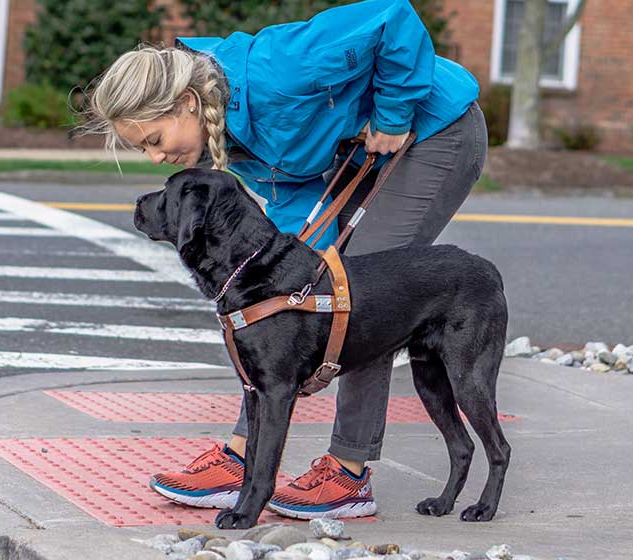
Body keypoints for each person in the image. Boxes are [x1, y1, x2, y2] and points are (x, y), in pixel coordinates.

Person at [82, 0, 487, 520]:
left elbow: (392, 17)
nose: (157, 158)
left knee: (360, 293)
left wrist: (392, 112)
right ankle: (246, 458)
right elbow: (293, 198)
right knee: (288, 302)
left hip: (433, 131)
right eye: (145, 151)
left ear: (185, 102)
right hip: (365, 150)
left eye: (155, 140)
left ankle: (349, 473)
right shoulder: (222, 133)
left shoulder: (282, 68)